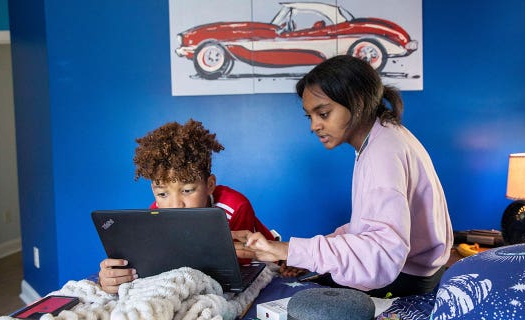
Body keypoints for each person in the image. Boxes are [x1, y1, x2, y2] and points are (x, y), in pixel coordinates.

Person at [233, 55, 453, 297]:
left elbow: (382, 255)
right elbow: (368, 227)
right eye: (310, 116)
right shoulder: (384, 136)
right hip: (413, 273)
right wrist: (301, 255)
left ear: (357, 102)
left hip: (404, 281)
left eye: (323, 113)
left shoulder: (383, 154)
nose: (313, 126)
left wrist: (287, 250)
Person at [98, 119, 275, 294]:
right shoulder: (155, 212)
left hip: (267, 252)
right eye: (162, 194)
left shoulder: (235, 207)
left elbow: (238, 268)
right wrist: (112, 277)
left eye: (187, 190)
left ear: (210, 185)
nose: (175, 205)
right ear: (154, 191)